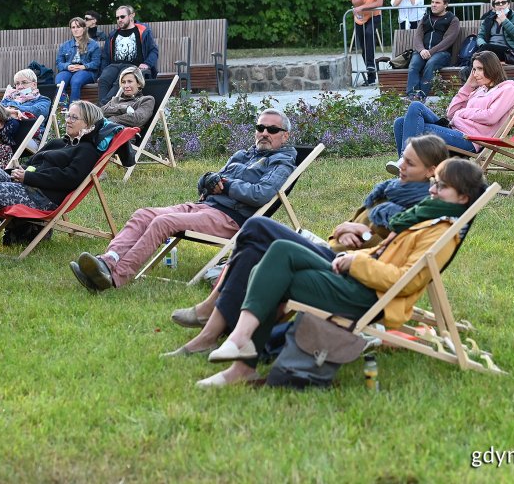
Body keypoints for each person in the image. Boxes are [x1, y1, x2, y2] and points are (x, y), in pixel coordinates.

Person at [198, 158, 488, 388]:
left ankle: (241, 354)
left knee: (275, 270)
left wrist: (356, 264)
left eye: (442, 187)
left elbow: (405, 280)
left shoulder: (441, 233)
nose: (432, 190)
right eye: (434, 183)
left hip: (367, 297)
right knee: (277, 253)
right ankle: (241, 347)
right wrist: (352, 255)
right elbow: (382, 254)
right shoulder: (428, 217)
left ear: (462, 198)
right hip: (358, 280)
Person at [164, 135, 448, 358]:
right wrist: (345, 231)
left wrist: (360, 237)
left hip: (346, 268)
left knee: (256, 228)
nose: (401, 167)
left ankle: (210, 315)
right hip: (333, 251)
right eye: (402, 159)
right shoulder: (390, 190)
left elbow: (386, 250)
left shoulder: (422, 209)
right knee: (252, 246)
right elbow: (340, 231)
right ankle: (209, 333)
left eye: (410, 164)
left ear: (432, 171)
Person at [71, 109, 298, 292]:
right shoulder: (242, 155)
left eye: (272, 129)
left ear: (285, 135)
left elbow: (261, 193)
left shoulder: (281, 163)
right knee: (144, 214)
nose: (264, 133)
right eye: (260, 127)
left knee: (164, 222)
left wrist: (226, 185)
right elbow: (209, 181)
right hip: (204, 206)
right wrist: (207, 180)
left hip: (230, 219)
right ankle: (107, 261)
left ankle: (115, 277)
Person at [0, 101, 133, 260]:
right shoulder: (58, 143)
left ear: (88, 124)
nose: (68, 120)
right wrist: (21, 172)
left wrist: (29, 177)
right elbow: (31, 163)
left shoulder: (86, 150)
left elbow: (70, 179)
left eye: (74, 117)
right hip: (25, 185)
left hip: (42, 197)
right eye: (67, 115)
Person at [392, 51, 514, 159]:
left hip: (470, 139)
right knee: (402, 121)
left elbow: (491, 117)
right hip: (453, 130)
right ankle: (405, 164)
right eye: (474, 69)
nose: (475, 74)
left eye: (480, 69)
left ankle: (406, 161)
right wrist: (468, 85)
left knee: (414, 125)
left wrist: (462, 113)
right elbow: (451, 113)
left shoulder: (507, 89)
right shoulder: (481, 89)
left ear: (492, 68)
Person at [96, 5, 159, 105]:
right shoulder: (113, 34)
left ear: (131, 16)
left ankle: (102, 107)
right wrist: (102, 72)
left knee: (120, 80)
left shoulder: (143, 32)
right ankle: (104, 109)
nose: (119, 20)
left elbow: (153, 51)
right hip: (114, 65)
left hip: (133, 66)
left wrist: (147, 64)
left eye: (122, 17)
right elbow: (105, 56)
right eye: (117, 18)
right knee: (103, 79)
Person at [405, 0, 461, 99]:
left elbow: (448, 40)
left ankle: (421, 96)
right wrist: (421, 50)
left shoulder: (452, 20)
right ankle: (412, 96)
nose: (433, 5)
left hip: (442, 53)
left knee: (431, 64)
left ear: (445, 5)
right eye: (432, 2)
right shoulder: (425, 18)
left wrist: (430, 52)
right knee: (414, 66)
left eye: (437, 2)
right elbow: (417, 37)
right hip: (422, 51)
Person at [349, 0, 385, 85]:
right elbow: (355, 3)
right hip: (359, 18)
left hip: (374, 15)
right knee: (364, 47)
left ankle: (370, 65)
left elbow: (379, 2)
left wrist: (363, 7)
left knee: (369, 33)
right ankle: (371, 77)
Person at [475, 0, 514, 65]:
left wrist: (504, 20)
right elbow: (480, 36)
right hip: (489, 51)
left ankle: (467, 73)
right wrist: (483, 45)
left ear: (508, 4)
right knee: (480, 55)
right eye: (497, 3)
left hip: (511, 53)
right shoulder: (488, 20)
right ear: (494, 7)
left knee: (480, 55)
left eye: (503, 2)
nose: (501, 5)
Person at [0, 69, 53, 145]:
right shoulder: (9, 98)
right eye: (17, 84)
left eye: (24, 82)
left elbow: (37, 111)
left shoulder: (43, 100)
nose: (20, 87)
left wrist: (13, 107)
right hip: (3, 131)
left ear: (34, 84)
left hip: (29, 136)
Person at [55, 17, 101, 102]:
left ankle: (73, 110)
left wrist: (83, 67)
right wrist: (67, 66)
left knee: (76, 81)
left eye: (78, 27)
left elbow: (96, 63)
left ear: (84, 28)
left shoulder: (93, 45)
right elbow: (59, 63)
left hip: (86, 71)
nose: (75, 30)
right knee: (59, 82)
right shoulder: (65, 45)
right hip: (69, 70)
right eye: (73, 27)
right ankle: (63, 110)